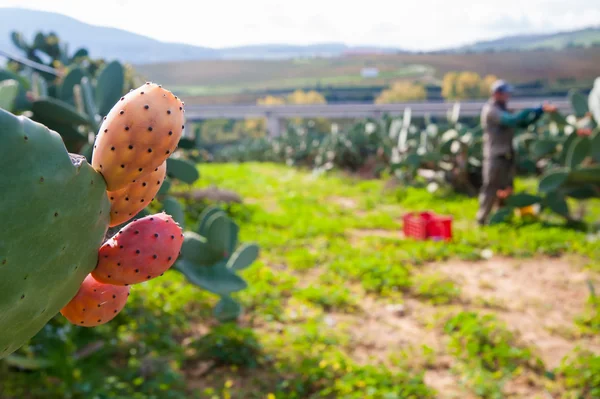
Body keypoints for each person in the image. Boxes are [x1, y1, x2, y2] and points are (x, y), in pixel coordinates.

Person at [476, 80, 557, 225]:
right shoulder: (491, 110)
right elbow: (512, 119)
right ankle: (482, 219)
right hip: (494, 155)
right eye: (505, 93)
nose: (507, 96)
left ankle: (501, 217)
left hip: (507, 155)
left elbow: (522, 123)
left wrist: (539, 113)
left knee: (507, 189)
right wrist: (534, 109)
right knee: (491, 187)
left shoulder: (503, 109)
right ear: (496, 94)